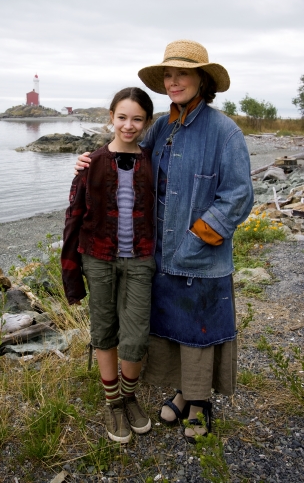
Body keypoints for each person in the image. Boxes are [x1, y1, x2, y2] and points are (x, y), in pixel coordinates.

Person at [74, 40, 254, 443]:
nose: (173, 82)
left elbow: (239, 196)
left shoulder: (224, 131)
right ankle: (182, 394)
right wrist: (91, 160)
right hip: (156, 252)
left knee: (200, 333)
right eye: (168, 75)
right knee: (171, 332)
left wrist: (196, 239)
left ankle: (200, 407)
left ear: (202, 80)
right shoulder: (163, 128)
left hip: (199, 256)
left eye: (182, 74)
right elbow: (131, 158)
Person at [61, 87, 156, 444]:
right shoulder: (91, 163)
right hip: (98, 258)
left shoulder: (151, 161)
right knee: (104, 329)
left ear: (146, 123)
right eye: (122, 117)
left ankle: (130, 397)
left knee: (136, 333)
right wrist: (70, 272)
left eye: (137, 119)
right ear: (111, 117)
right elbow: (73, 217)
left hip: (141, 258)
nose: (128, 125)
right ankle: (113, 402)